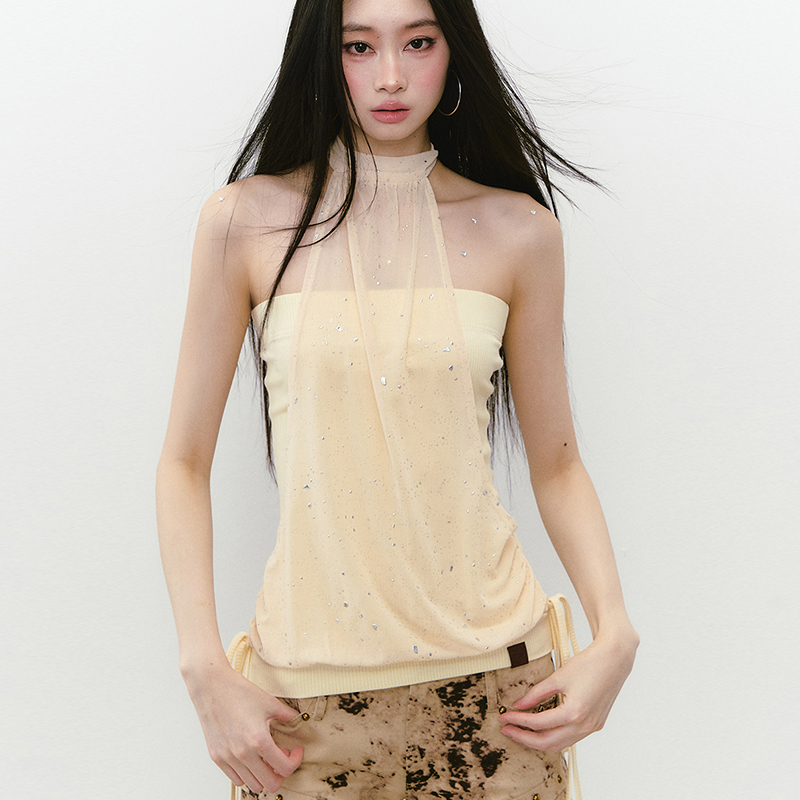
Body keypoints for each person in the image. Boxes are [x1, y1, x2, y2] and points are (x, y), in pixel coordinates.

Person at [156, 0, 639, 797]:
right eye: (358, 46)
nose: (390, 76)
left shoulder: (519, 232)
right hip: (303, 713)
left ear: (454, 52)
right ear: (322, 54)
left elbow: (558, 465)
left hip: (498, 699)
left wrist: (613, 630)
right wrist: (202, 666)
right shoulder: (244, 223)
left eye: (418, 42)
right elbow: (182, 462)